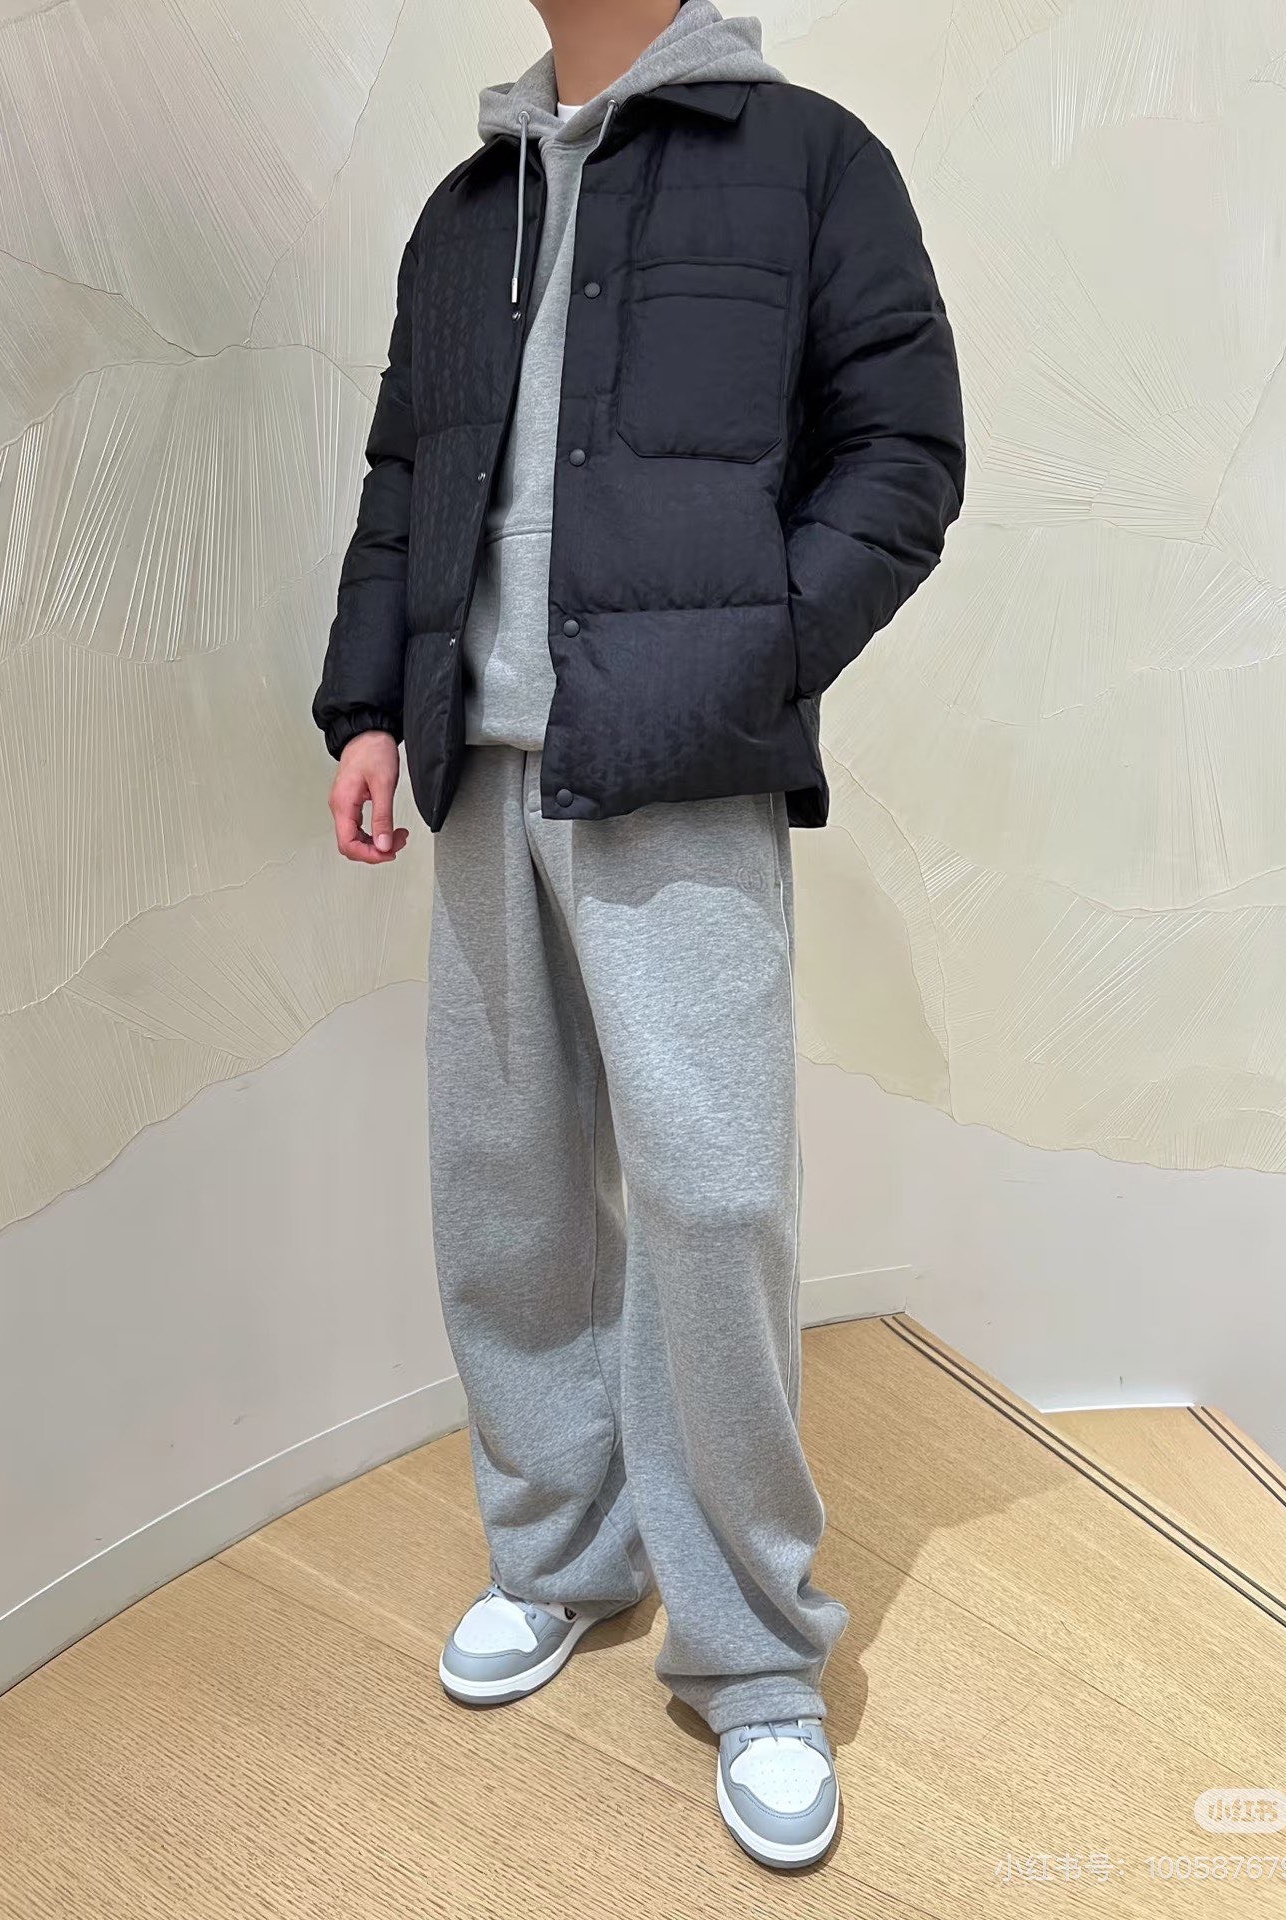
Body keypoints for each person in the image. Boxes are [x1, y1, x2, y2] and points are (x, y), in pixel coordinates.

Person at [312, 0, 964, 1872]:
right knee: (504, 1190)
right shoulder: (468, 205)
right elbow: (403, 480)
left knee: (712, 1198)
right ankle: (558, 1555)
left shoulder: (808, 158)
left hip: (678, 767)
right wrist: (367, 707)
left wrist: (750, 660)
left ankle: (752, 1655)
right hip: (479, 773)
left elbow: (903, 453)